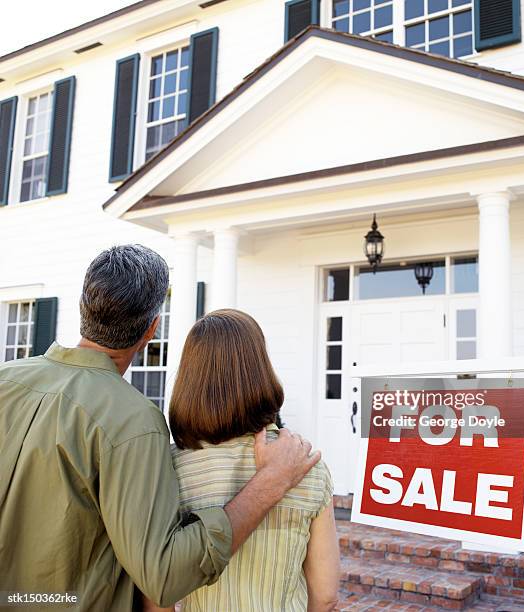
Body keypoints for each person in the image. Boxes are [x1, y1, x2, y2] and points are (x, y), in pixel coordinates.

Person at [0, 245, 320, 611]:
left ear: (83, 309)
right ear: (153, 328)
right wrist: (272, 481)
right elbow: (164, 575)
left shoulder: (5, 379)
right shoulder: (132, 420)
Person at [144, 309, 340, 612]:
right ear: (261, 370)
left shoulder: (169, 471)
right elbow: (326, 597)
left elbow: (159, 600)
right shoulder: (307, 466)